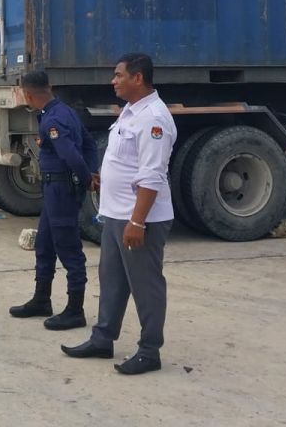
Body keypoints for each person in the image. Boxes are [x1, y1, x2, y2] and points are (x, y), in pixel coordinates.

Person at [63, 53, 175, 374]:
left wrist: (137, 221)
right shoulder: (129, 111)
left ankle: (150, 350)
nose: (113, 81)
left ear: (137, 78)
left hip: (140, 219)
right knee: (111, 280)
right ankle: (103, 338)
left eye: (118, 75)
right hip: (115, 215)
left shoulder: (153, 117)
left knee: (145, 284)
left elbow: (152, 175)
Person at [9, 71, 94, 331]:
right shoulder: (64, 111)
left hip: (60, 188)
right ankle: (41, 299)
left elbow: (70, 155)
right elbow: (90, 145)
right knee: (45, 244)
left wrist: (85, 180)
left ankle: (74, 310)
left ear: (28, 94)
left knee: (68, 247)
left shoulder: (53, 120)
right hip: (54, 188)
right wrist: (91, 172)